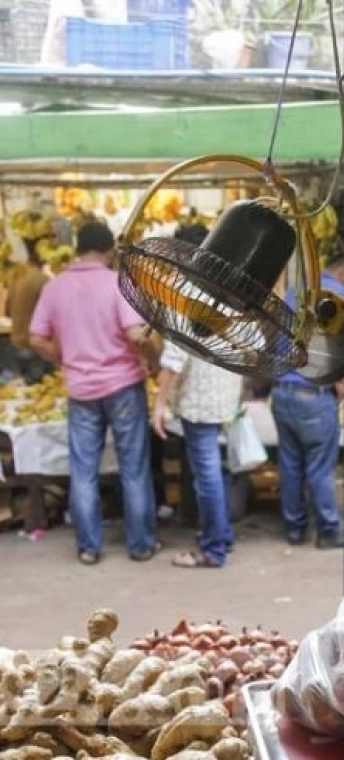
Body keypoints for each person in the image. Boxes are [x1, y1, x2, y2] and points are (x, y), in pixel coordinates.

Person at [28, 219, 163, 565]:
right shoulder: (118, 283)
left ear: (76, 249)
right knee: (133, 467)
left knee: (83, 470)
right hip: (124, 386)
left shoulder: (55, 287)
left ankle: (89, 547)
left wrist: (61, 355)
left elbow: (35, 337)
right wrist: (152, 359)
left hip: (80, 389)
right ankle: (141, 545)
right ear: (110, 250)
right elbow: (136, 335)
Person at [152, 223, 245, 568]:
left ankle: (214, 547)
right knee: (213, 471)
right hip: (224, 396)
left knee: (206, 473)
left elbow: (174, 359)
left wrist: (159, 403)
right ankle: (221, 535)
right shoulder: (231, 292)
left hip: (197, 399)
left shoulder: (185, 296)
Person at [271, 251, 344, 549]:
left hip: (282, 394)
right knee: (319, 468)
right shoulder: (336, 297)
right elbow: (338, 350)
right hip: (313, 396)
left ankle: (294, 528)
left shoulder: (293, 293)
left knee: (290, 465)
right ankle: (328, 529)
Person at [7, 238, 55, 384]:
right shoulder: (43, 280)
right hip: (35, 348)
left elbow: (9, 309)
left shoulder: (15, 277)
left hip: (16, 343)